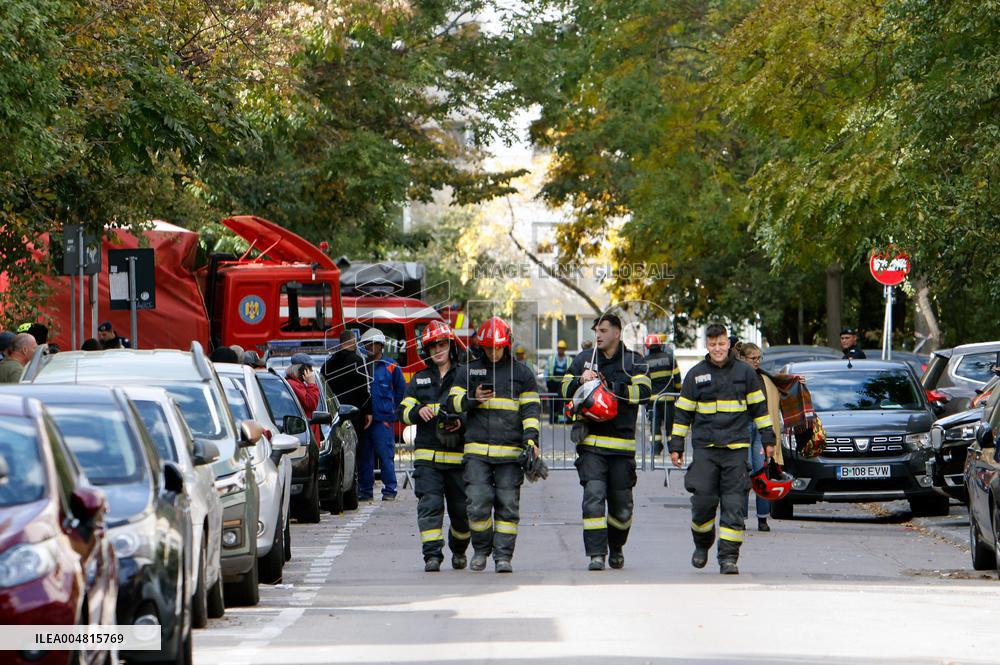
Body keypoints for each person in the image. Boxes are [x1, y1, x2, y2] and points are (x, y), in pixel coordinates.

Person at [669, 324, 775, 575]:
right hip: (706, 450)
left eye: (722, 343)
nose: (718, 348)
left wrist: (768, 440)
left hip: (736, 450)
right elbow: (683, 413)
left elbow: (760, 410)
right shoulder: (695, 375)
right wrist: (676, 445)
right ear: (707, 345)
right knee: (703, 503)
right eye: (713, 344)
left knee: (734, 505)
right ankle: (702, 544)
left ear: (729, 344)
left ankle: (729, 558)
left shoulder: (745, 374)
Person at [446, 316, 540, 574]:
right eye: (488, 348)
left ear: (506, 345)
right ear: (481, 346)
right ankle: (480, 550)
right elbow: (451, 403)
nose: (493, 352)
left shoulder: (522, 374)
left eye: (498, 347)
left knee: (508, 505)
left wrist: (531, 440)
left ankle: (503, 557)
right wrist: (472, 399)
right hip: (476, 452)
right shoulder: (469, 370)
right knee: (477, 504)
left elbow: (531, 410)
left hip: (510, 454)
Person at [562, 314, 651, 571]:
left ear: (617, 333)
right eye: (596, 331)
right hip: (591, 445)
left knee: (622, 510)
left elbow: (644, 393)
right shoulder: (584, 360)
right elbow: (563, 386)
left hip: (622, 447)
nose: (598, 335)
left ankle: (617, 547)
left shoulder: (634, 361)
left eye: (603, 330)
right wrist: (580, 380)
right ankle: (596, 554)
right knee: (593, 497)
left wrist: (613, 387)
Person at [398, 321, 470, 572]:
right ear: (426, 351)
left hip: (458, 458)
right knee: (429, 506)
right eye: (432, 346)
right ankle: (432, 555)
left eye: (442, 344)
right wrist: (419, 410)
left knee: (462, 512)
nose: (438, 350)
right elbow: (403, 412)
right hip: (427, 458)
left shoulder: (464, 375)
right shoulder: (419, 380)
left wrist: (460, 422)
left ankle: (459, 549)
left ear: (450, 346)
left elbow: (475, 410)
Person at [359, 329, 406, 502]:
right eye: (366, 345)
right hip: (365, 419)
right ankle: (365, 491)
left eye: (372, 344)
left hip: (383, 419)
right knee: (364, 456)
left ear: (380, 345)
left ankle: (390, 490)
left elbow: (401, 389)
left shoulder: (391, 366)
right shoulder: (361, 365)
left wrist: (393, 411)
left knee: (385, 456)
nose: (369, 348)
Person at [738, 343, 777, 532]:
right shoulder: (736, 376)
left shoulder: (762, 376)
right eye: (753, 358)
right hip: (742, 427)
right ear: (743, 358)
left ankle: (763, 518)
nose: (757, 362)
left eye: (759, 358)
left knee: (761, 471)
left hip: (759, 427)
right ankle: (741, 517)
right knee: (743, 472)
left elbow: (780, 381)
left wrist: (796, 381)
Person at [322, 331, 372, 433]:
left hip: (334, 414)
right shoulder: (358, 361)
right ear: (353, 342)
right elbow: (364, 389)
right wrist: (368, 411)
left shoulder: (328, 363)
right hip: (355, 414)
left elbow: (323, 389)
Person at [644, 333, 682, 456]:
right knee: (670, 427)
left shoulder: (644, 362)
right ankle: (673, 450)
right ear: (660, 345)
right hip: (668, 399)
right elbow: (677, 377)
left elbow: (643, 382)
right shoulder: (670, 358)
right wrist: (676, 393)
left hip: (652, 401)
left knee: (654, 427)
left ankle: (655, 450)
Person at [545, 340, 573, 424]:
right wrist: (547, 381)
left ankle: (561, 418)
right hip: (552, 384)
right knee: (553, 402)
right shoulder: (551, 359)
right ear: (557, 349)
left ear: (565, 349)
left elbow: (572, 372)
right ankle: (552, 418)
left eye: (562, 348)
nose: (561, 350)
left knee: (562, 401)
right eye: (559, 348)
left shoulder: (569, 360)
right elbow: (547, 371)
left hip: (563, 384)